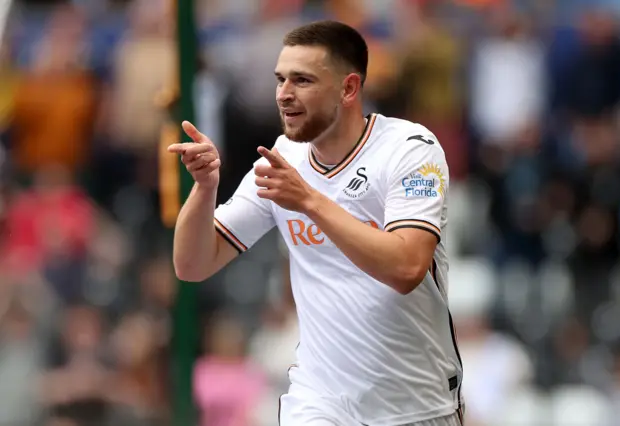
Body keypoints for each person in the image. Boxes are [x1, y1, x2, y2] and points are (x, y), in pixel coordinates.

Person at [169, 20, 464, 426]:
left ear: (348, 88)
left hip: (415, 404)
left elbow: (407, 267)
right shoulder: (283, 160)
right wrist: (204, 189)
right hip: (319, 401)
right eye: (280, 80)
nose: (284, 95)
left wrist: (309, 200)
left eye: (302, 80)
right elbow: (193, 265)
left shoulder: (410, 150)